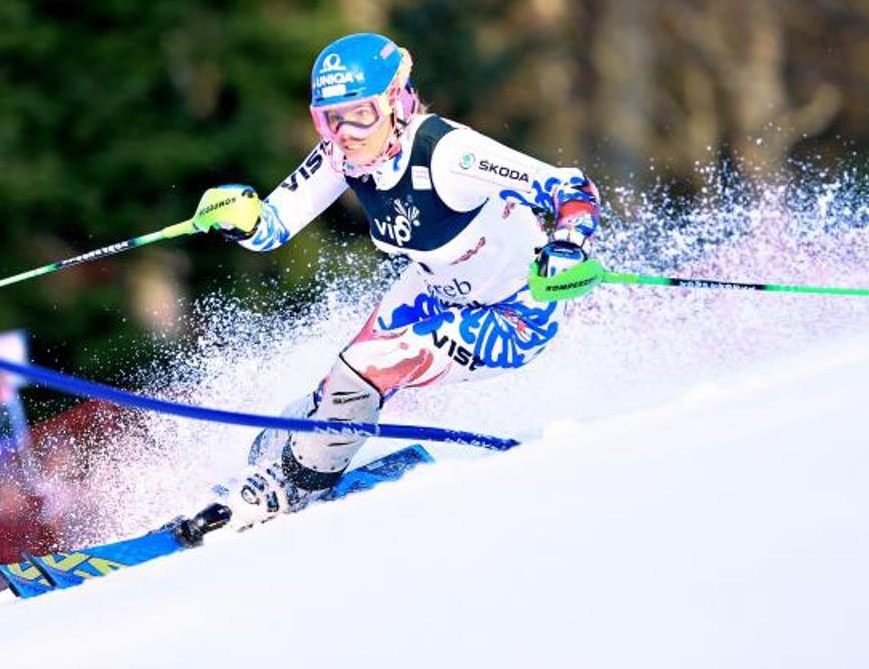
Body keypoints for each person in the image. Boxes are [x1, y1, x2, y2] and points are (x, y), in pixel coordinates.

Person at [179, 32, 600, 537]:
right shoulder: (342, 156)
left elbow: (570, 187)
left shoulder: (448, 153)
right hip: (435, 289)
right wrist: (238, 216)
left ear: (397, 102)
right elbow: (273, 227)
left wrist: (568, 247)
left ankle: (289, 487)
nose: (345, 133)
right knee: (328, 394)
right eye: (329, 119)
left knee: (365, 372)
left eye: (362, 114)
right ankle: (277, 467)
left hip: (513, 314)